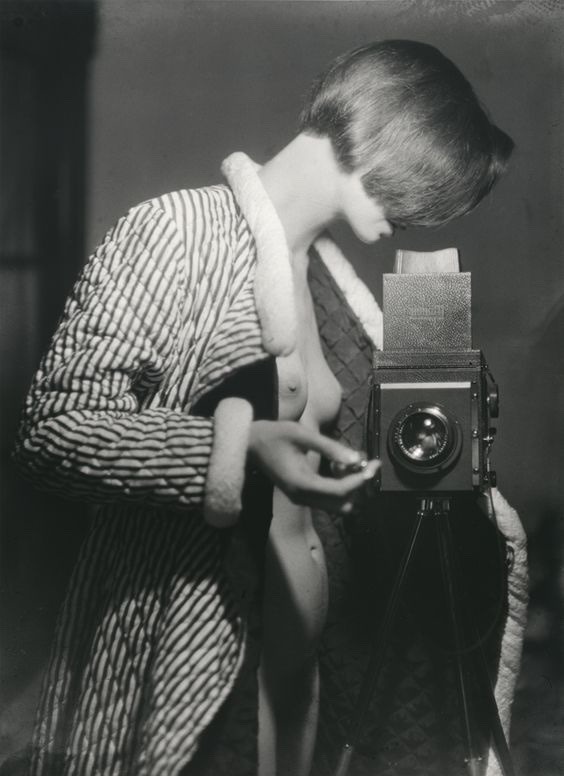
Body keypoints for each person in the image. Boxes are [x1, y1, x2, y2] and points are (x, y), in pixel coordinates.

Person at [14, 40, 527, 776]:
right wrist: (238, 451)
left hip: (313, 671)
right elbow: (54, 430)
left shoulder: (330, 284)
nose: (429, 218)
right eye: (434, 186)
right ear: (389, 136)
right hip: (201, 654)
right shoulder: (176, 230)